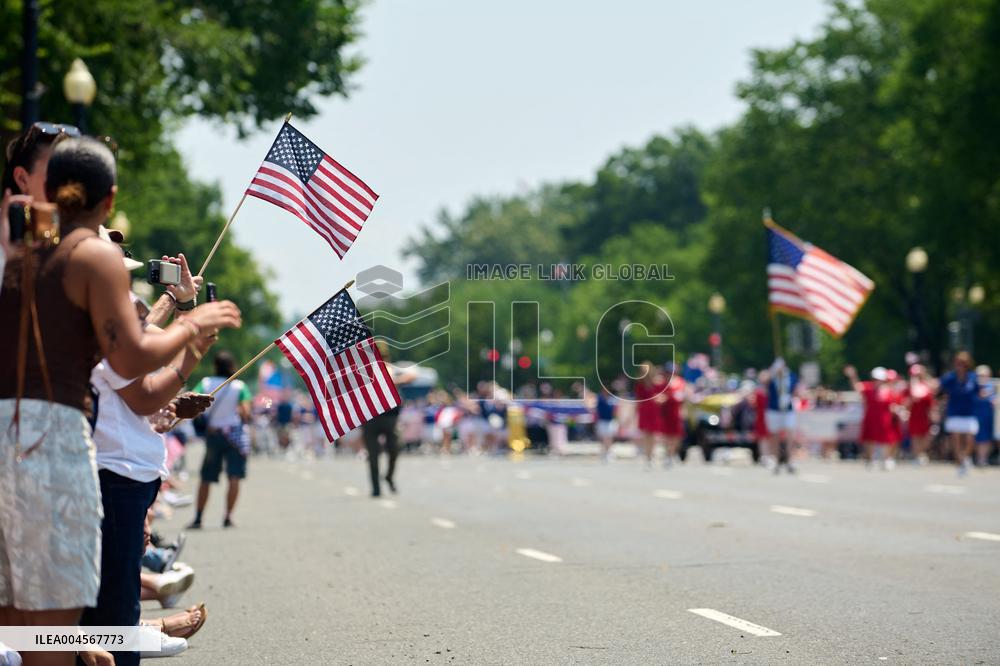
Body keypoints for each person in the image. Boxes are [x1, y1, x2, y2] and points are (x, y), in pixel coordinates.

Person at [0, 134, 241, 666]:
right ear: (108, 199)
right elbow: (130, 359)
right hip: (55, 439)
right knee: (59, 625)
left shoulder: (26, 254)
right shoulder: (92, 256)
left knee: (20, 620)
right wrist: (193, 326)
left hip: (8, 436)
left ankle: (101, 642)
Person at [80, 258, 217, 666]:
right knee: (114, 611)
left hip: (124, 473)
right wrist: (193, 342)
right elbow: (144, 392)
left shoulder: (101, 326)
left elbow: (143, 343)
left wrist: (177, 300)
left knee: (108, 603)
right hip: (115, 473)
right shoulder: (100, 330)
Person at [189, 352, 253, 528]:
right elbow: (245, 413)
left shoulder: (206, 383)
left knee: (206, 478)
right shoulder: (240, 387)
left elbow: (192, 402)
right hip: (234, 436)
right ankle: (228, 516)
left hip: (213, 434)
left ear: (215, 366)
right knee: (234, 476)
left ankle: (198, 517)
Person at [362, 342, 415, 496]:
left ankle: (389, 476)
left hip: (390, 417)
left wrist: (394, 381)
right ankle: (376, 488)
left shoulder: (392, 370)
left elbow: (412, 375)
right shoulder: (366, 372)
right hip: (371, 417)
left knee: (395, 448)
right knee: (373, 454)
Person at [845, 365, 902, 470]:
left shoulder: (889, 391)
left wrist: (898, 411)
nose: (877, 381)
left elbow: (892, 405)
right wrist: (853, 376)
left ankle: (886, 459)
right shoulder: (868, 388)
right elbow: (857, 387)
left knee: (887, 439)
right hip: (871, 418)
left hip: (885, 419)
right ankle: (870, 459)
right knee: (869, 439)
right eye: (875, 379)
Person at [938, 351, 980, 476]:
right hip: (954, 412)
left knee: (970, 439)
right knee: (955, 439)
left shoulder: (973, 377)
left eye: (963, 363)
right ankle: (960, 462)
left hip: (969, 412)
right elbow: (940, 388)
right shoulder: (950, 377)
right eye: (958, 363)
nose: (960, 365)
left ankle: (965, 457)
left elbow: (977, 392)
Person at [766, 358, 798, 474]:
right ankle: (775, 458)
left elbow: (795, 389)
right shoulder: (771, 376)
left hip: (787, 409)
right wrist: (773, 372)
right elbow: (764, 381)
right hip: (774, 409)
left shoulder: (791, 376)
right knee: (774, 434)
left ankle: (790, 460)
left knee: (790, 434)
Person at [633, 361, 667, 468]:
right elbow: (638, 399)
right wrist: (635, 412)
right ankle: (647, 456)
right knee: (646, 434)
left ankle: (651, 455)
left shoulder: (657, 383)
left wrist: (660, 399)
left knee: (653, 435)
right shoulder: (640, 384)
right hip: (645, 411)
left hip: (654, 411)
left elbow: (663, 395)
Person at [906, 364, 936, 465]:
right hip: (914, 415)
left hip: (925, 415)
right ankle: (917, 456)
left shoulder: (927, 385)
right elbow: (910, 399)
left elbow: (931, 399)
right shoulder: (910, 386)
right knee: (915, 437)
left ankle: (921, 453)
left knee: (926, 437)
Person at [660, 367, 686, 467]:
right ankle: (668, 454)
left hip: (676, 411)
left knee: (677, 435)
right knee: (666, 435)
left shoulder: (680, 382)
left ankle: (672, 453)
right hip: (666, 412)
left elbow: (682, 397)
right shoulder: (663, 383)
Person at [973, 365, 995, 467]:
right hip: (975, 416)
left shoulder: (993, 386)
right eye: (979, 375)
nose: (981, 377)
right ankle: (978, 458)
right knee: (976, 438)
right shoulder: (973, 386)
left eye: (983, 375)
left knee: (986, 438)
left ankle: (983, 459)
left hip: (988, 417)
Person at [594, 386, 617, 463]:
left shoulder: (612, 399)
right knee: (603, 438)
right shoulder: (599, 399)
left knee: (609, 438)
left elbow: (615, 411)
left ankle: (609, 453)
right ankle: (603, 452)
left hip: (610, 421)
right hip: (602, 421)